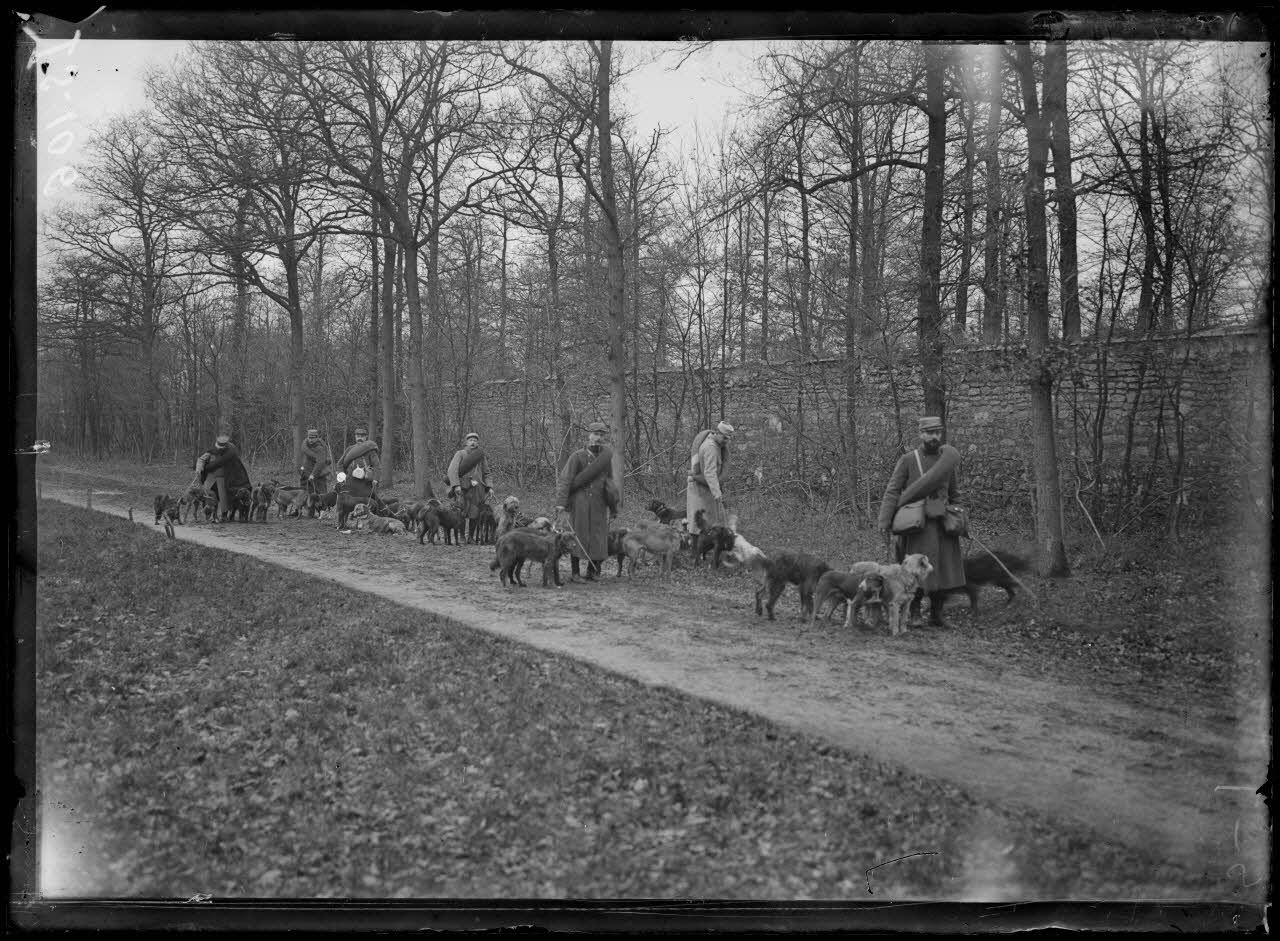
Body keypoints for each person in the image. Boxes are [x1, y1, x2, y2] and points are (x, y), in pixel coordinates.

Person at [876, 415, 965, 628]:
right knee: (912, 572)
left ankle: (937, 614)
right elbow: (893, 491)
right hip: (917, 525)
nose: (934, 437)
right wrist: (884, 521)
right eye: (929, 432)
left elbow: (955, 494)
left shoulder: (947, 463)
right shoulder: (908, 460)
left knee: (942, 571)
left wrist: (958, 516)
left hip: (942, 525)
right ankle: (914, 613)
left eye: (937, 432)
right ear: (921, 434)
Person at [554, 421, 619, 582]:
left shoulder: (605, 458)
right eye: (596, 434)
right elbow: (565, 480)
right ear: (589, 435)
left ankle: (593, 571)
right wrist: (561, 503)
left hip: (599, 502)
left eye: (602, 435)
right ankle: (575, 573)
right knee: (577, 535)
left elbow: (609, 482)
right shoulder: (577, 456)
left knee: (598, 536)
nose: (598, 438)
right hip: (580, 502)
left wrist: (613, 505)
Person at [686, 420, 734, 534]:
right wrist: (717, 493)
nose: (726, 442)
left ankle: (706, 548)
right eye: (725, 438)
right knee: (699, 524)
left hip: (706, 487)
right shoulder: (710, 448)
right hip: (700, 489)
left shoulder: (717, 444)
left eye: (728, 439)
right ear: (717, 433)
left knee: (707, 522)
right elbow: (710, 473)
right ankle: (695, 550)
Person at [335, 427, 380, 531]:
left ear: (366, 437)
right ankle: (341, 524)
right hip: (349, 483)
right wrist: (341, 475)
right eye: (358, 436)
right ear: (355, 437)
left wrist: (375, 479)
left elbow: (377, 466)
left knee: (367, 505)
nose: (360, 438)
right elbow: (340, 464)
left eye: (362, 436)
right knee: (343, 504)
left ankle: (369, 525)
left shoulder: (371, 451)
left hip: (364, 485)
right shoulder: (349, 449)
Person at [201, 432, 251, 523]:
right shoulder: (212, 450)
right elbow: (202, 459)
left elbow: (227, 463)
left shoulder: (231, 451)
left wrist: (208, 467)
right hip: (211, 479)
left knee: (224, 497)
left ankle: (224, 515)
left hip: (224, 478)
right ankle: (210, 515)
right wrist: (200, 467)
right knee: (208, 495)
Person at [446, 431, 493, 500]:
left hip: (478, 489)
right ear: (467, 443)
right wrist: (456, 485)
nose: (473, 442)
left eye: (475, 440)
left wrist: (489, 487)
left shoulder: (481, 456)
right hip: (463, 488)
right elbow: (452, 470)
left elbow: (487, 473)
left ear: (477, 443)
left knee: (479, 509)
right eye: (470, 440)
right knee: (461, 509)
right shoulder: (460, 453)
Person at [299, 428, 333, 496]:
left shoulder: (320, 448)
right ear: (307, 437)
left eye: (313, 438)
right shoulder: (306, 445)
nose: (311, 440)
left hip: (318, 474)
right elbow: (306, 457)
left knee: (321, 494)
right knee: (305, 493)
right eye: (310, 437)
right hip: (306, 472)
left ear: (317, 438)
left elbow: (320, 463)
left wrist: (313, 474)